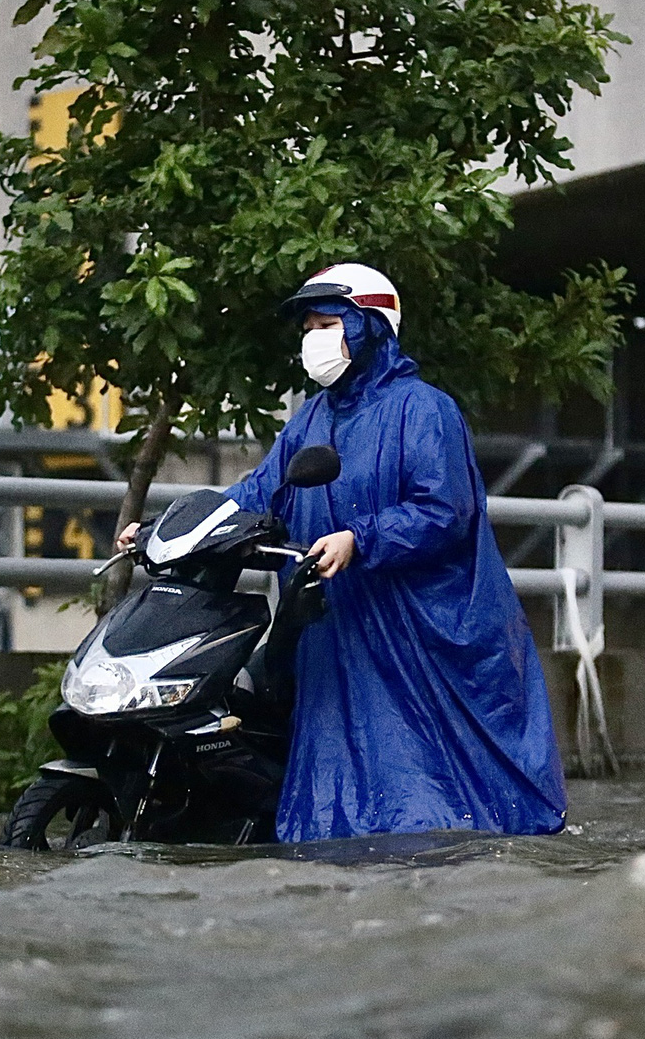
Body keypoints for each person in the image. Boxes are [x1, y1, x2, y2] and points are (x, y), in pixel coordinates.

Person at [115, 263, 567, 842]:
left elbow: (446, 512)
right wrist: (162, 531)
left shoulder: (424, 410)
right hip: (333, 625)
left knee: (429, 796)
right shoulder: (309, 420)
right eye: (308, 327)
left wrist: (363, 538)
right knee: (331, 800)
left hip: (422, 631)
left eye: (329, 323)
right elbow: (254, 495)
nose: (314, 339)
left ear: (371, 327)